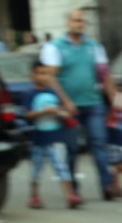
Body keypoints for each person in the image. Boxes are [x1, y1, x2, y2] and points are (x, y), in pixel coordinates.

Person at [39, 9, 118, 201]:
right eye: (75, 20)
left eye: (82, 21)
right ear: (68, 23)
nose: (79, 24)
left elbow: (104, 74)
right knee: (72, 148)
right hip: (70, 108)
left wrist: (115, 101)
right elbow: (50, 77)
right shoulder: (55, 47)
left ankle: (107, 185)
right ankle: (73, 189)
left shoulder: (94, 47)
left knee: (99, 144)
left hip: (94, 103)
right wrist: (65, 102)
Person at [25, 60, 82, 209]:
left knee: (61, 166)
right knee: (37, 169)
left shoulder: (54, 93)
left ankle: (70, 195)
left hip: (56, 137)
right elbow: (28, 115)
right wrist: (42, 112)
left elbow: (65, 111)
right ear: (32, 75)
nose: (44, 77)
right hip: (39, 139)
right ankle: (34, 196)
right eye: (41, 73)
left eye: (47, 74)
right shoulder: (30, 94)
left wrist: (61, 113)